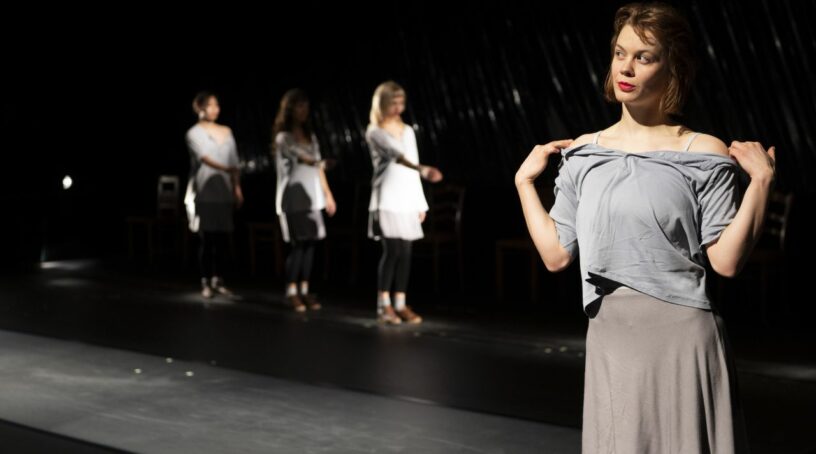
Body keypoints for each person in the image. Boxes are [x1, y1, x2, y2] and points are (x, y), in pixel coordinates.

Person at [515, 3, 775, 452]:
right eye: (620, 53)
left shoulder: (702, 151)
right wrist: (524, 183)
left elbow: (727, 261)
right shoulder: (584, 153)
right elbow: (557, 255)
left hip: (681, 338)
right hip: (611, 338)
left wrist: (762, 181)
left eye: (644, 57)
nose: (626, 67)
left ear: (672, 68)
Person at [365, 81, 443, 325]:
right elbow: (396, 156)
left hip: (406, 198)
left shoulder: (408, 131)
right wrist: (422, 169)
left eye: (401, 103)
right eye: (393, 103)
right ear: (383, 104)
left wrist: (420, 203)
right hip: (386, 197)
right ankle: (383, 304)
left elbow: (413, 163)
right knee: (392, 251)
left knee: (406, 252)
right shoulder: (374, 131)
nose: (398, 108)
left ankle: (400, 302)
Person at [272, 89, 336, 312]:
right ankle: (291, 291)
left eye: (306, 107)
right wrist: (319, 163)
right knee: (298, 245)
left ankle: (305, 289)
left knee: (310, 245)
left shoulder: (311, 137)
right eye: (300, 106)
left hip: (313, 196)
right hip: (294, 197)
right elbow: (304, 159)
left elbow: (318, 168)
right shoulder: (283, 138)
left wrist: (327, 194)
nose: (304, 111)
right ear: (290, 109)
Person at [185, 91, 244, 299]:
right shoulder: (193, 133)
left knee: (222, 239)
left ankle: (219, 279)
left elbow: (234, 162)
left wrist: (236, 188)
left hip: (224, 191)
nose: (215, 109)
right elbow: (205, 158)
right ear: (200, 108)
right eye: (211, 105)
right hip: (205, 191)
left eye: (217, 105)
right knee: (207, 239)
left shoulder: (227, 131)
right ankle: (205, 280)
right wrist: (226, 169)